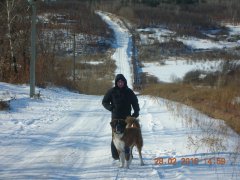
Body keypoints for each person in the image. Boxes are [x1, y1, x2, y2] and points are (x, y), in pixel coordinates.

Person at [102, 74, 140, 160]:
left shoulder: (129, 92)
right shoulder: (111, 91)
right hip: (115, 119)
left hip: (127, 119)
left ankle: (128, 154)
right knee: (116, 136)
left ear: (124, 82)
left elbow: (135, 102)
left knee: (127, 137)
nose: (120, 83)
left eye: (122, 81)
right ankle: (116, 155)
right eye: (118, 82)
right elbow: (104, 102)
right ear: (116, 82)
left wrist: (136, 111)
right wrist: (111, 108)